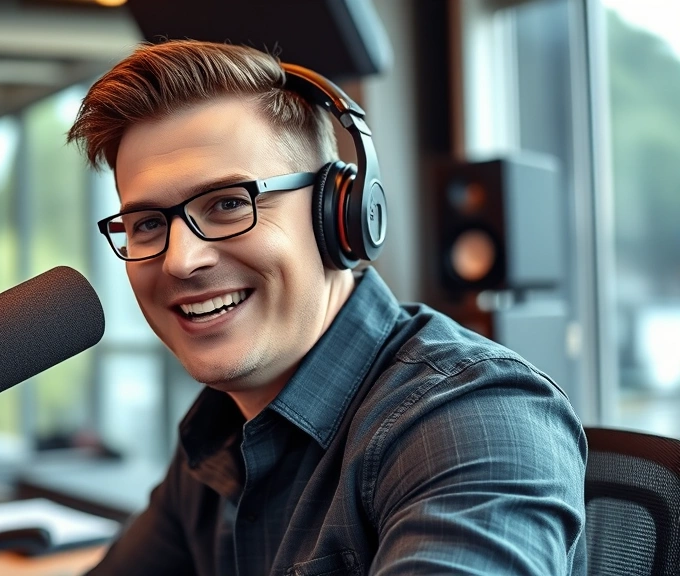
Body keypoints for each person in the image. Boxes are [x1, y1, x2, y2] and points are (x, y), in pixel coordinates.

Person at [67, 40, 587, 575]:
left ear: (338, 216)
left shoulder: (473, 417)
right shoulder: (220, 433)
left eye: (228, 204)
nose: (181, 260)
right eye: (148, 223)